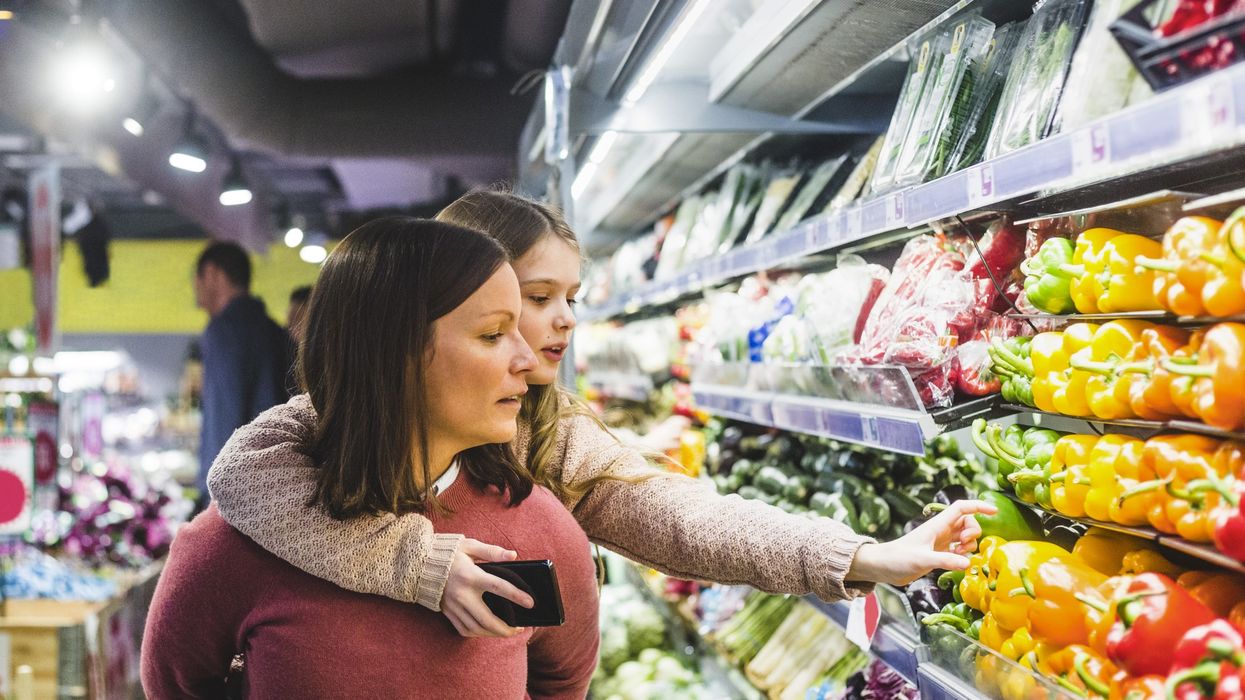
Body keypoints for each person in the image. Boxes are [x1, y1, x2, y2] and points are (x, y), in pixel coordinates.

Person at [208, 190, 994, 640]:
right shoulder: (324, 432)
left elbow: (675, 516)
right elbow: (244, 474)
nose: (558, 324)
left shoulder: (544, 429)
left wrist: (861, 556)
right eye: (532, 300)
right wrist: (414, 562)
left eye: (567, 301)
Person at [143, 218, 601, 698]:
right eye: (492, 335)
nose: (527, 359)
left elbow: (563, 682)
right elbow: (176, 685)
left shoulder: (542, 531)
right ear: (393, 353)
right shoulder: (231, 544)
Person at [192, 241, 291, 505]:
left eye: (197, 278)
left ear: (212, 273)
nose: (195, 289)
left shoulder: (223, 332)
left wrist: (210, 498)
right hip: (276, 485)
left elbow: (222, 418)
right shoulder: (274, 332)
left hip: (236, 496)